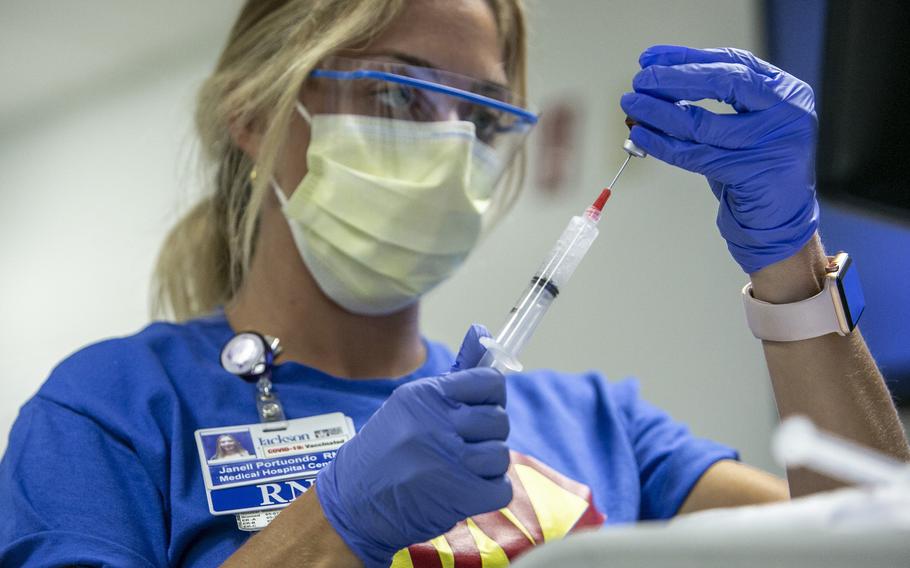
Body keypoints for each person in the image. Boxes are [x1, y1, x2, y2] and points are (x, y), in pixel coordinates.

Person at [1, 1, 907, 567]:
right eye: (398, 95)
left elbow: (870, 543)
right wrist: (337, 524)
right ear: (254, 114)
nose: (445, 140)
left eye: (478, 112)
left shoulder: (600, 427)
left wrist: (790, 263)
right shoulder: (115, 409)